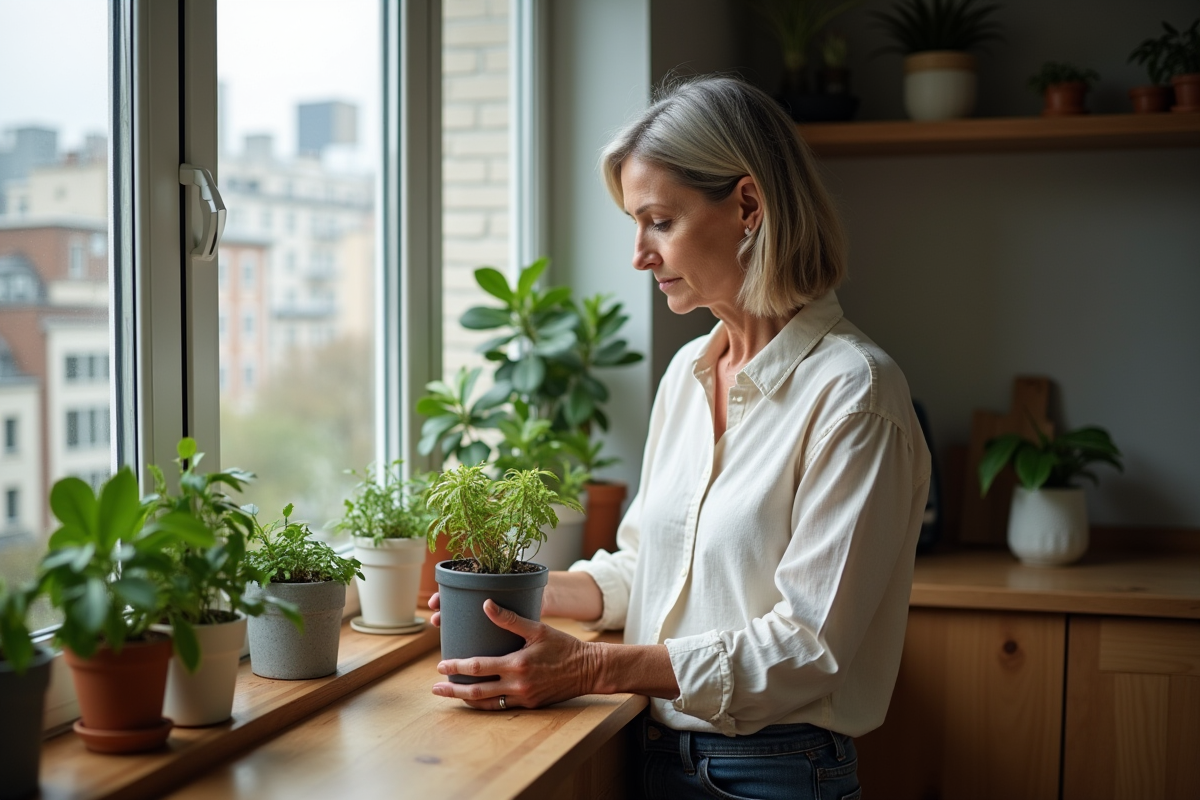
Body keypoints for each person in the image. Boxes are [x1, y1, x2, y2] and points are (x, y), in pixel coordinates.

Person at [428, 75, 931, 800]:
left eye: (659, 221)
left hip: (777, 773)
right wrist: (513, 599)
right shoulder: (687, 374)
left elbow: (808, 647)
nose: (640, 254)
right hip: (654, 755)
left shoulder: (855, 393)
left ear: (748, 207)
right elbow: (650, 567)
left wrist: (597, 668)